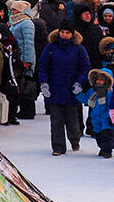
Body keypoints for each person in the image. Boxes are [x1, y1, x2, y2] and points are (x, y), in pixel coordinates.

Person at [39, 23, 91, 155]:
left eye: (68, 33)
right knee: (56, 121)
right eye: (63, 32)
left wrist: (80, 83)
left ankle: (75, 140)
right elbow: (43, 66)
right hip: (54, 90)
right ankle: (58, 147)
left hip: (72, 91)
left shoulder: (79, 49)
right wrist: (44, 83)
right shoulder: (51, 47)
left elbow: (85, 68)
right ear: (59, 32)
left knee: (72, 120)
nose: (65, 35)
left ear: (72, 34)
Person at [77, 69, 114, 158]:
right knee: (99, 136)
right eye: (98, 79)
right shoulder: (92, 91)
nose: (99, 81)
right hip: (95, 119)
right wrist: (78, 94)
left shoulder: (109, 93)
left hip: (106, 119)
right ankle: (103, 148)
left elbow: (111, 105)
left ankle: (107, 151)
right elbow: (86, 99)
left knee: (107, 136)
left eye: (102, 79)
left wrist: (110, 117)